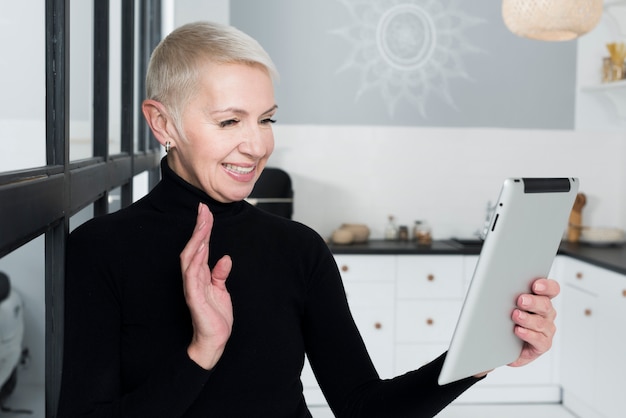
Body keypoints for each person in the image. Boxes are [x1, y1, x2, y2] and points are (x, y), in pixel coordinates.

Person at [57, 21, 560, 417]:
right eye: (230, 121)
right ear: (162, 121)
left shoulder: (299, 248)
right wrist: (202, 350)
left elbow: (364, 408)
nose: (257, 145)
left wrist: (476, 360)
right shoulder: (100, 249)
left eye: (267, 118)